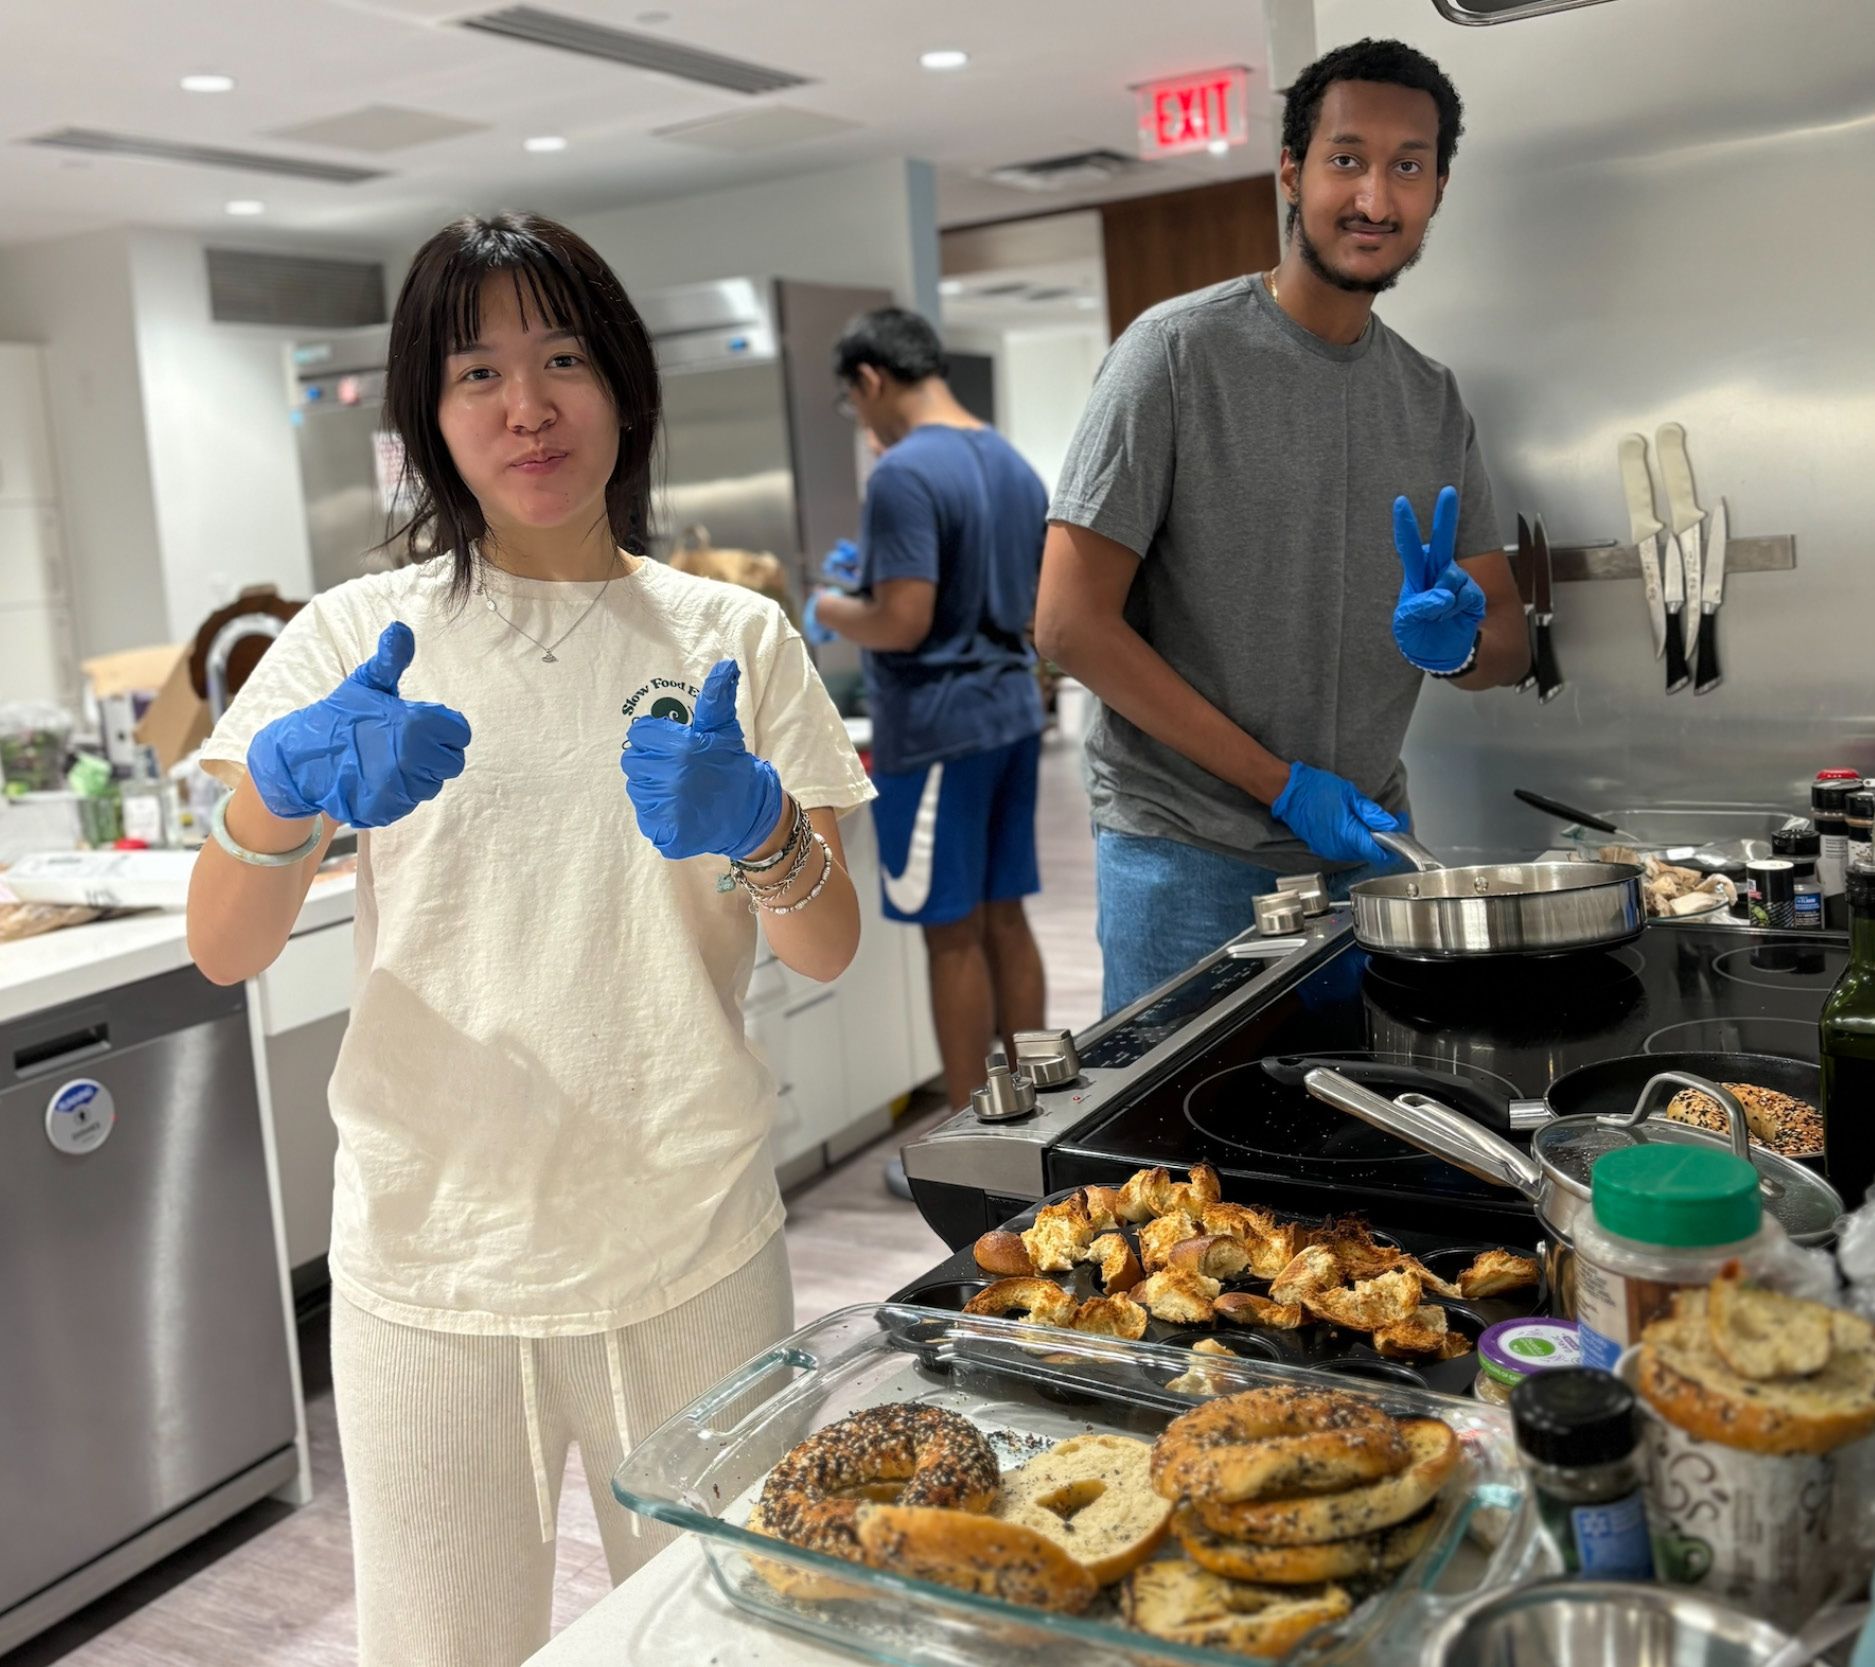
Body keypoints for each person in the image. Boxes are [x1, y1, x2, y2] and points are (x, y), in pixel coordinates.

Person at [185, 213, 872, 1667]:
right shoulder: (353, 634)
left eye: (561, 357)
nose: (525, 403)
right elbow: (223, 947)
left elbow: (822, 943)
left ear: (622, 384)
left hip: (691, 1234)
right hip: (430, 1258)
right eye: (475, 371)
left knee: (737, 1638)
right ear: (428, 419)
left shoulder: (729, 637)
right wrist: (276, 789)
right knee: (439, 1645)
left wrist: (759, 828)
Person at [1036, 37, 1527, 1016]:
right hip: (1188, 861)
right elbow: (1068, 624)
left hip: (1369, 858)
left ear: (1437, 190)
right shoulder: (1173, 357)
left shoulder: (1429, 399)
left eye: (1408, 167)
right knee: (1174, 1157)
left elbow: (1507, 644)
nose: (1375, 199)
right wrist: (1279, 782)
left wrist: (1460, 638)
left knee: (1363, 1143)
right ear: (1293, 173)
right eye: (1346, 159)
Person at [806, 307, 1049, 1119]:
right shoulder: (1012, 464)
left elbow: (903, 620)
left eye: (854, 402)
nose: (862, 421)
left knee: (950, 935)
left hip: (940, 726)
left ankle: (972, 1131)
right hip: (1012, 711)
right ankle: (1038, 1112)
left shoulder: (905, 474)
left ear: (871, 380)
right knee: (1004, 920)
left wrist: (832, 608)